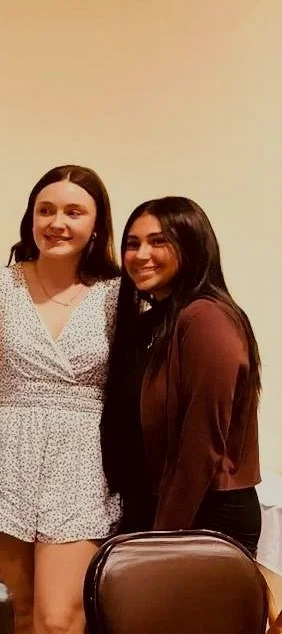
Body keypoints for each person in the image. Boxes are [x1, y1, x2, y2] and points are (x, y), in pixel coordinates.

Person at [0, 165, 121, 634]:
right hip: (8, 452)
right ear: (30, 218)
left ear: (97, 223)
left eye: (73, 211)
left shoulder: (118, 294)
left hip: (81, 458)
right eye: (45, 210)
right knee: (19, 612)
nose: (57, 223)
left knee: (60, 618)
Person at [101, 196, 261, 554]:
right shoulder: (152, 325)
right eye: (132, 243)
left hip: (205, 514)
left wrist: (163, 537)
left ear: (191, 244)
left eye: (159, 241)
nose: (141, 255)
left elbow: (200, 445)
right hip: (159, 508)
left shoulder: (206, 318)